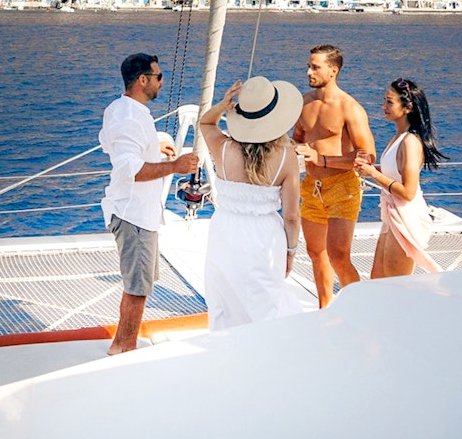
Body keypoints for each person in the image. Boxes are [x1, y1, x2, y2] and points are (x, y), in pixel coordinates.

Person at [99, 53, 199, 355]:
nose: (161, 81)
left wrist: (153, 147)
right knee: (137, 289)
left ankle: (123, 345)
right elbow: (131, 170)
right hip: (135, 216)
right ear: (143, 80)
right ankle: (123, 348)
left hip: (139, 213)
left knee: (139, 286)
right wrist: (175, 166)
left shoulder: (121, 109)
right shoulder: (129, 117)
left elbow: (110, 143)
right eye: (158, 76)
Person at [198, 76, 303, 329]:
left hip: (225, 232)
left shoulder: (223, 148)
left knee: (225, 303)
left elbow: (205, 122)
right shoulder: (286, 156)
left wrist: (223, 105)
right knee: (265, 303)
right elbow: (291, 216)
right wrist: (290, 252)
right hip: (264, 237)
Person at [293, 45, 375, 308]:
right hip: (311, 186)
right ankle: (325, 308)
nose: (308, 72)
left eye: (315, 67)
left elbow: (367, 157)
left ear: (333, 70)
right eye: (308, 66)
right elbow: (297, 139)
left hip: (343, 187)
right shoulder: (304, 102)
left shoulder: (350, 107)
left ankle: (360, 307)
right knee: (315, 252)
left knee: (339, 256)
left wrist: (322, 159)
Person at [355, 79, 448, 278]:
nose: (384, 107)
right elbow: (395, 172)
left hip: (406, 216)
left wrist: (374, 174)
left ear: (407, 108)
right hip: (393, 214)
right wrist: (372, 169)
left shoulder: (410, 142)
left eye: (389, 102)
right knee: (377, 279)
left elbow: (408, 192)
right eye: (384, 101)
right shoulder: (399, 137)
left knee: (395, 283)